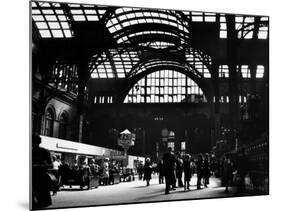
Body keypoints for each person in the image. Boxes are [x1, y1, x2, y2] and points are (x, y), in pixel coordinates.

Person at [32, 133, 53, 209]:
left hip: (40, 177)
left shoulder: (45, 152)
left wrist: (37, 166)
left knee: (41, 203)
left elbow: (51, 165)